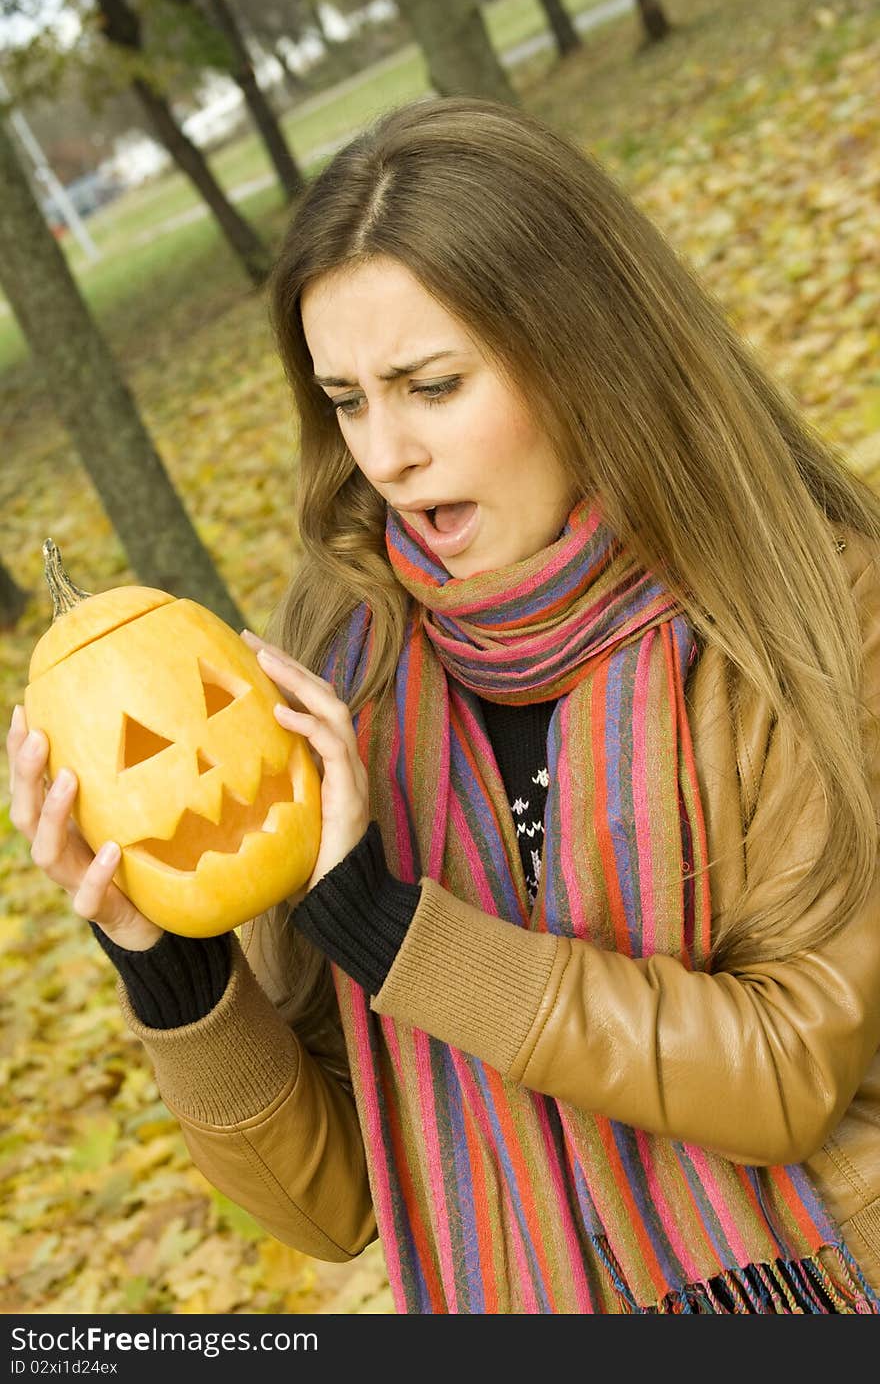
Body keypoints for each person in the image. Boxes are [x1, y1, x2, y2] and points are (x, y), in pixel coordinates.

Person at [8, 95, 880, 1315]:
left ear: (586, 358)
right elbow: (338, 1201)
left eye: (429, 384)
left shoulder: (813, 608)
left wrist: (399, 936)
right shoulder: (347, 655)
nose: (385, 456)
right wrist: (171, 968)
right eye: (347, 400)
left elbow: (788, 1074)